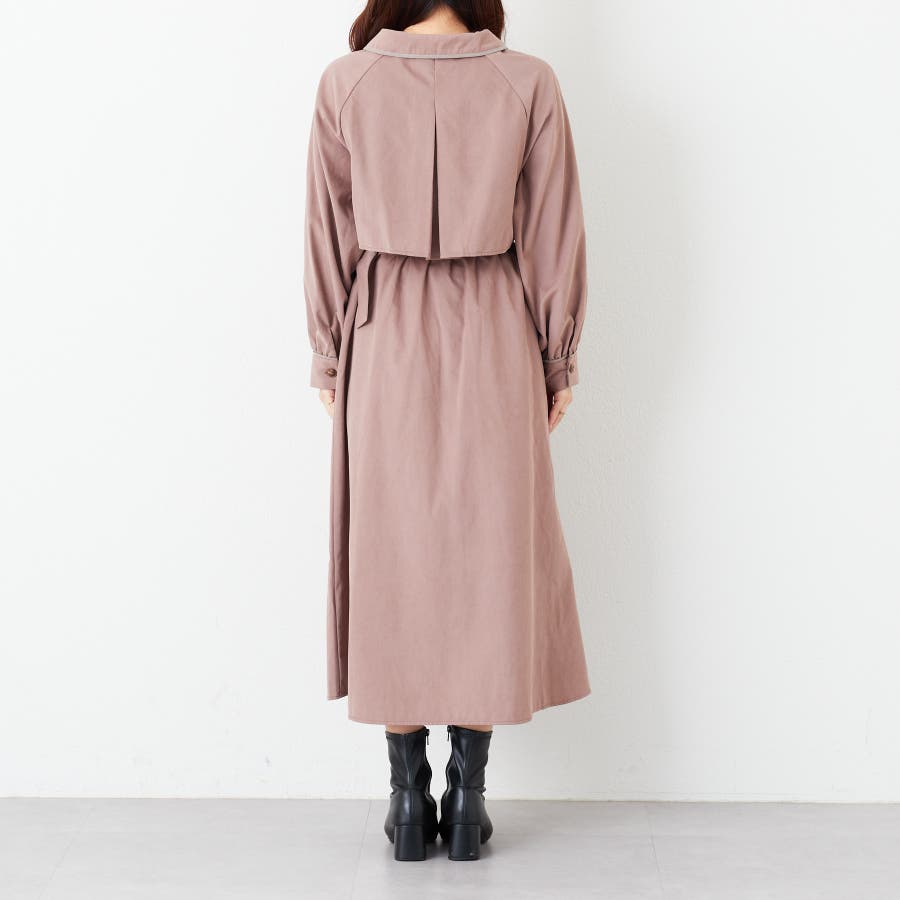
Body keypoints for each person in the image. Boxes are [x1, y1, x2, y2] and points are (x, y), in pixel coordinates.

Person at [303, 0, 591, 861]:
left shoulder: (346, 84)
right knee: (488, 555)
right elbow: (554, 233)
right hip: (496, 330)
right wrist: (557, 358)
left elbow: (328, 231)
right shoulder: (528, 82)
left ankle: (405, 803)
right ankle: (467, 800)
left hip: (383, 333)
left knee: (391, 556)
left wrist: (329, 356)